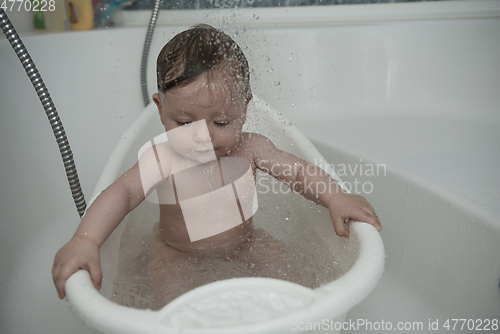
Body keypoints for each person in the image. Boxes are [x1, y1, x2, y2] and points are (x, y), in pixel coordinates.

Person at [52, 24, 381, 303]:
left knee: (287, 268)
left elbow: (296, 171)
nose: (202, 137)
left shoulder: (250, 147)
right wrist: (86, 241)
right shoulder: (162, 157)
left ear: (244, 108)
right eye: (184, 122)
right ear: (161, 110)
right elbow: (122, 193)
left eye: (221, 122)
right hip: (175, 249)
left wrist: (336, 196)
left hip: (245, 241)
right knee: (168, 288)